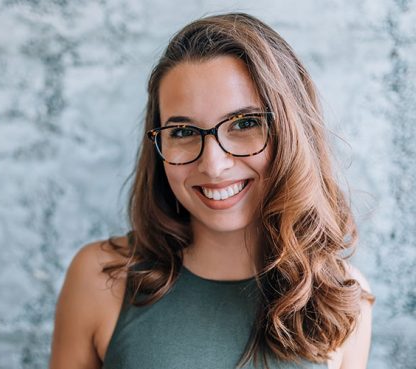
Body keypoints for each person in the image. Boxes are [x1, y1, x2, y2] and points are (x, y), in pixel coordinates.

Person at [49, 12, 374, 369]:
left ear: (291, 133)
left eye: (245, 123)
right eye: (183, 132)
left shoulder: (341, 296)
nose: (214, 165)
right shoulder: (99, 278)